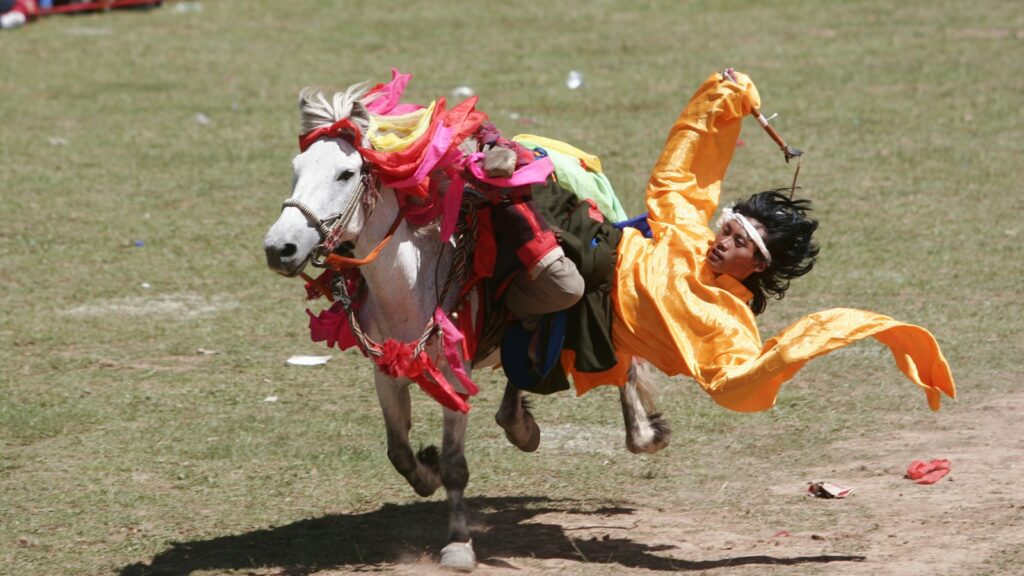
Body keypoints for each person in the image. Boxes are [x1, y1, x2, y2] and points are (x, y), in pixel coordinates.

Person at [562, 69, 955, 412]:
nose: (723, 243)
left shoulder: (728, 326)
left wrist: (844, 330)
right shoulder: (688, 233)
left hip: (583, 306)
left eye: (739, 244)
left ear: (759, 264)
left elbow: (737, 384)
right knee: (543, 162)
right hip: (587, 244)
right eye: (727, 231)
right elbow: (680, 175)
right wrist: (725, 95)